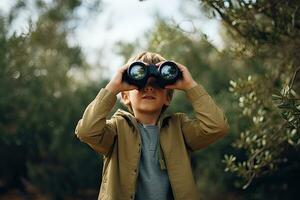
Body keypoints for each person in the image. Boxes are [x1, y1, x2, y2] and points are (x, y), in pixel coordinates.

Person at [75, 52, 229, 200]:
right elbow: (87, 131)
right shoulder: (117, 129)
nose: (149, 88)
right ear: (125, 95)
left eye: (157, 83)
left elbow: (216, 126)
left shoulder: (180, 129)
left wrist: (190, 85)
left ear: (168, 98)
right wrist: (113, 87)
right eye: (140, 84)